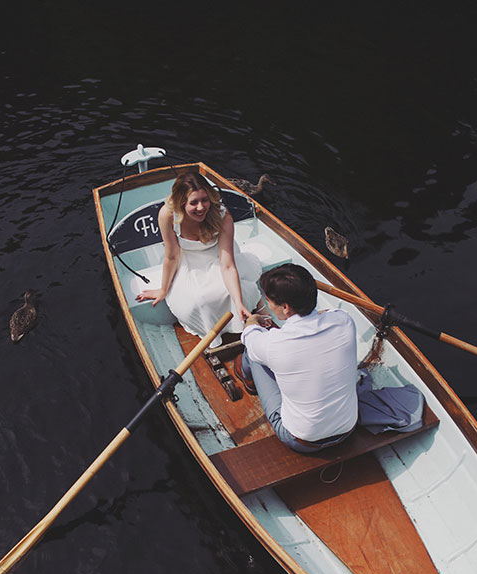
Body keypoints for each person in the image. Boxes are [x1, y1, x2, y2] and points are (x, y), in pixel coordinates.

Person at [237, 263, 358, 453]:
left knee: (252, 354)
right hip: (347, 429)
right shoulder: (345, 321)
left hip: (300, 440)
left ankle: (248, 381)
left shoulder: (273, 344)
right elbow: (327, 314)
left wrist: (253, 320)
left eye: (269, 301)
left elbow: (249, 335)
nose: (268, 305)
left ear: (285, 307)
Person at [135, 172, 261, 346]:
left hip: (218, 256)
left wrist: (238, 302)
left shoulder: (222, 216)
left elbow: (227, 265)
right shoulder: (168, 215)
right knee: (199, 300)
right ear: (181, 202)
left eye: (205, 200)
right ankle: (211, 332)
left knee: (227, 292)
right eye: (193, 202)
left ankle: (237, 315)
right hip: (187, 259)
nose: (201, 207)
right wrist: (163, 290)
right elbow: (172, 256)